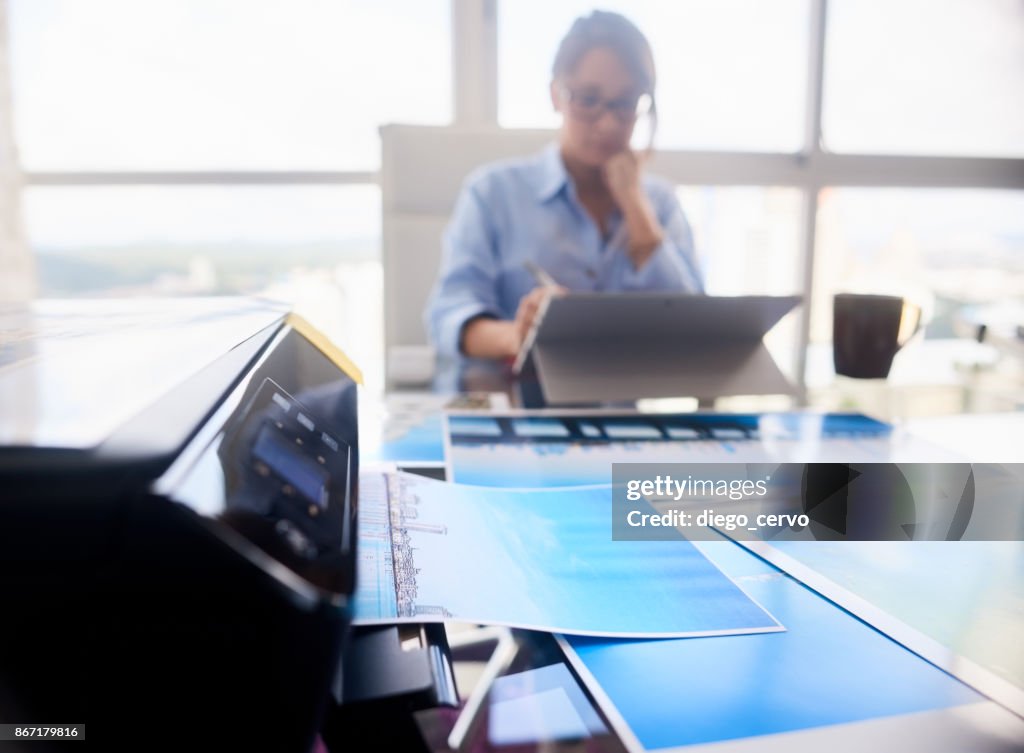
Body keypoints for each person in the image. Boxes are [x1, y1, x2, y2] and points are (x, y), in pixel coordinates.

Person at [425, 10, 703, 362]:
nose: (606, 123)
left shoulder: (659, 203)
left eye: (625, 103)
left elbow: (696, 333)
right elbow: (449, 315)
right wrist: (516, 335)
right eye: (588, 99)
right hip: (516, 401)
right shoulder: (492, 192)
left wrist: (636, 208)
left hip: (621, 411)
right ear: (556, 95)